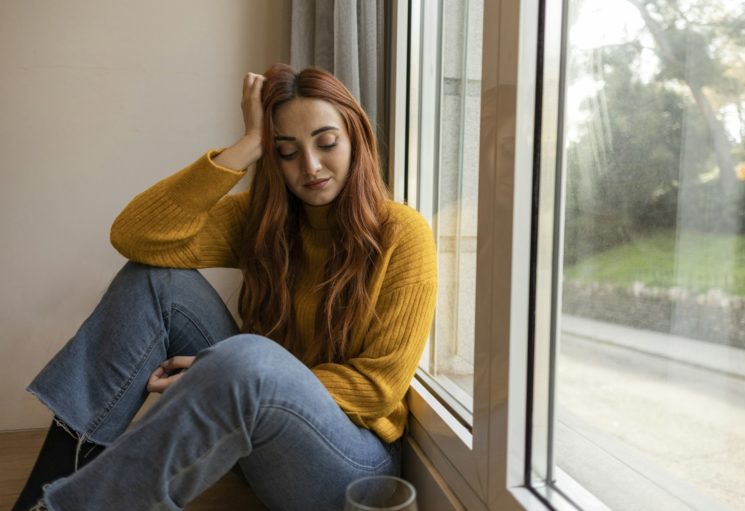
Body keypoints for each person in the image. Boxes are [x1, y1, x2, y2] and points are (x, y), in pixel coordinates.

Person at [13, 63, 437, 511]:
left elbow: (378, 388)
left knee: (246, 359)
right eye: (286, 152)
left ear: (356, 139)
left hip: (350, 464)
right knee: (154, 281)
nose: (311, 166)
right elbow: (134, 236)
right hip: (255, 436)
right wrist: (247, 146)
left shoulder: (401, 234)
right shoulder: (264, 221)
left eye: (327, 143)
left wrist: (222, 379)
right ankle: (42, 495)